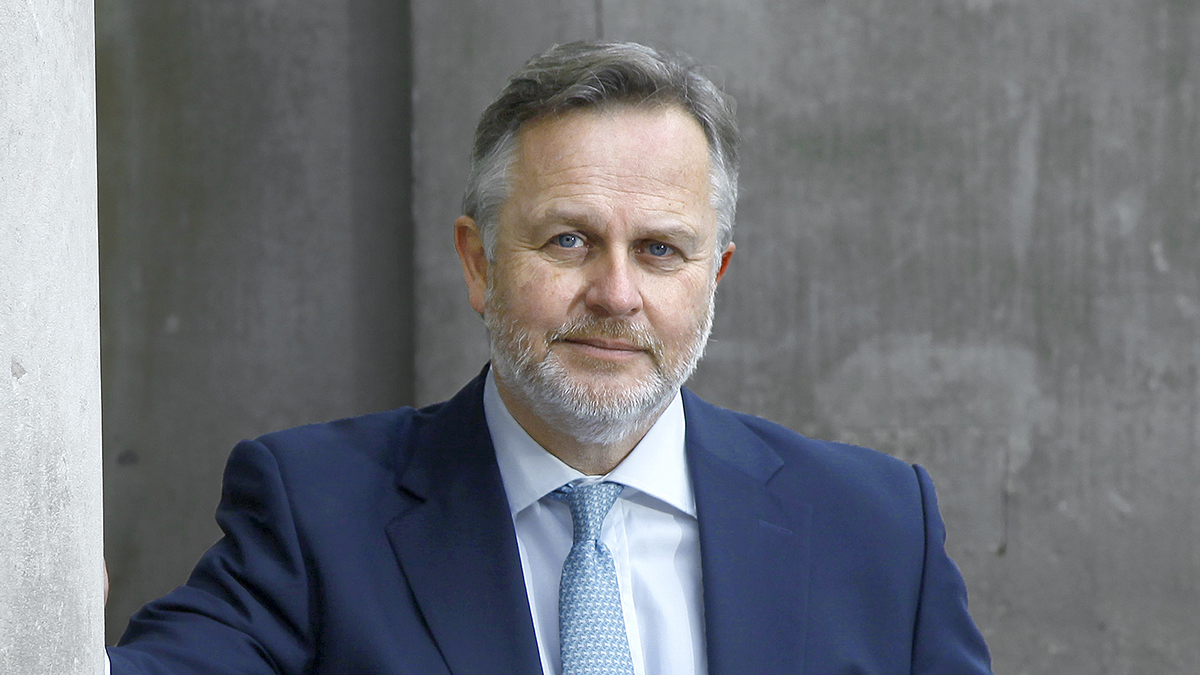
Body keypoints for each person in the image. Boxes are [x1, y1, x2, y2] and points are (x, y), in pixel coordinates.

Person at [107, 40, 993, 674]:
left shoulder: (879, 529)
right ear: (479, 262)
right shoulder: (315, 515)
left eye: (660, 250)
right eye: (569, 240)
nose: (616, 293)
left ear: (714, 275)